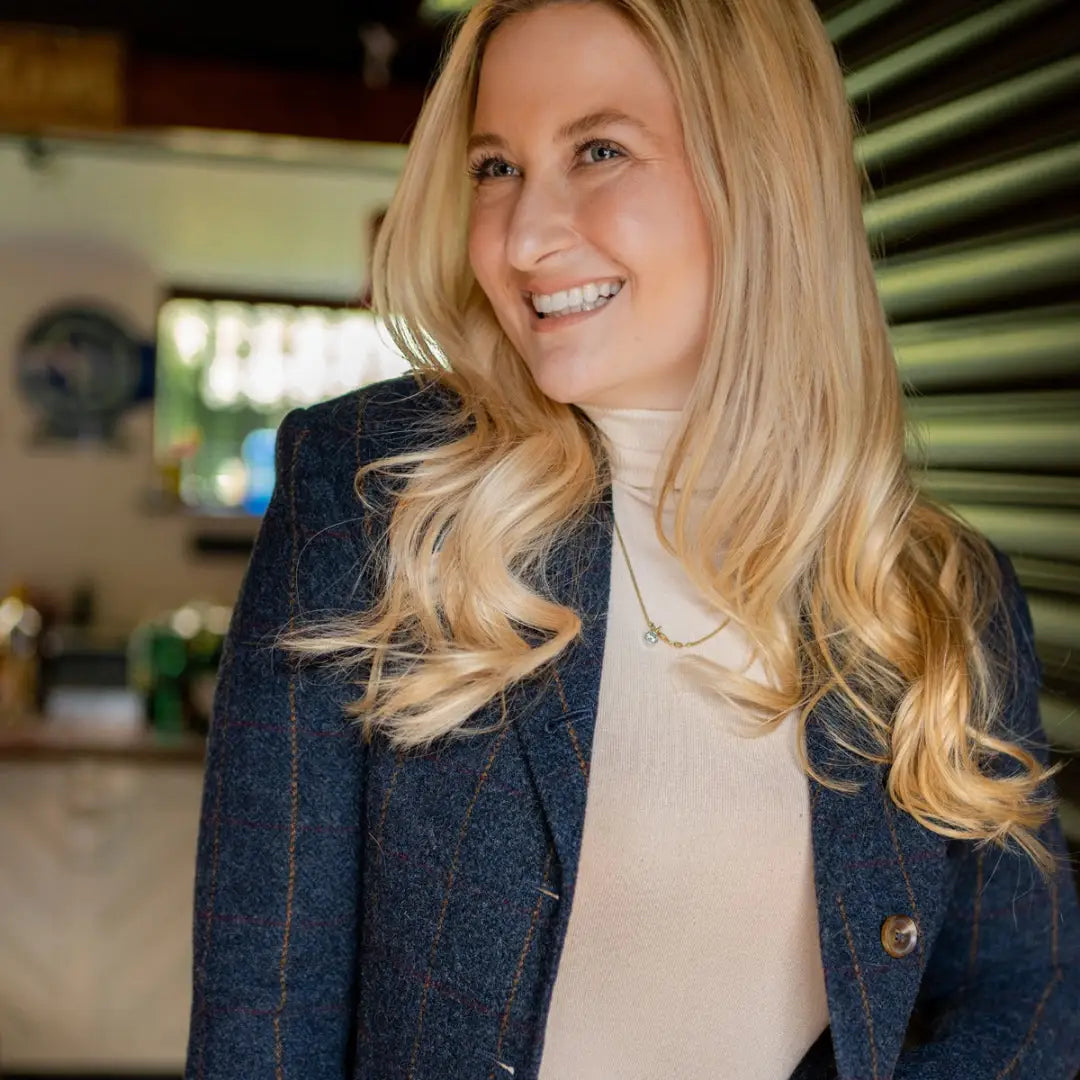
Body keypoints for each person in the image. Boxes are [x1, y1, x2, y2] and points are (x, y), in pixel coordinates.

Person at [184, 0, 1080, 1077]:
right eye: (494, 167)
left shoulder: (937, 593)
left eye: (599, 151)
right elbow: (260, 1017)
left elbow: (1024, 996)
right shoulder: (377, 491)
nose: (521, 238)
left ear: (762, 179)